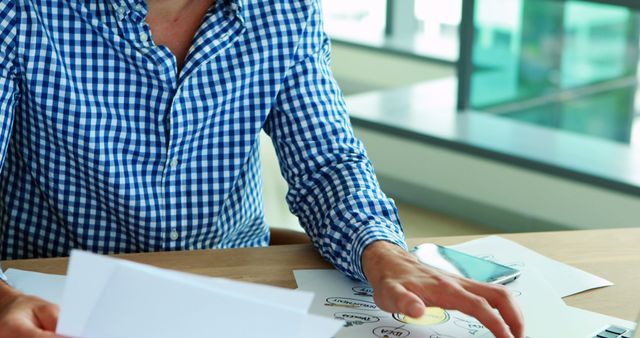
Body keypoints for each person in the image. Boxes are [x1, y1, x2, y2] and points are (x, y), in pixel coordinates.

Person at [0, 0, 524, 337]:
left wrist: (381, 251)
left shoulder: (284, 8)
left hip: (234, 294)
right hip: (52, 296)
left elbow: (326, 163)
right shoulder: (21, 12)